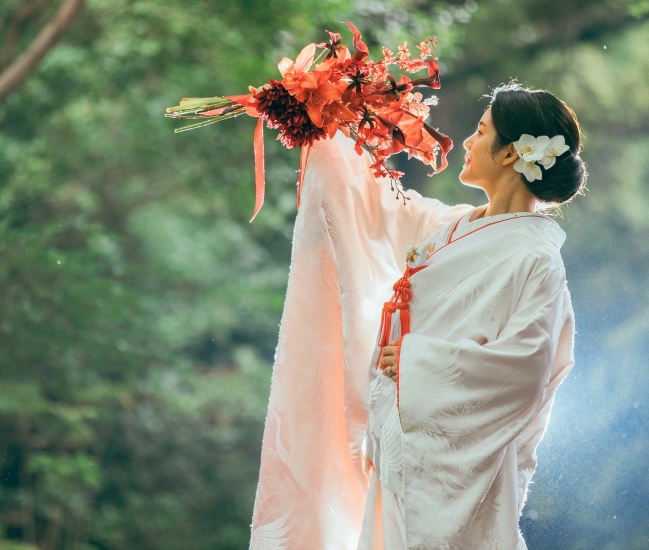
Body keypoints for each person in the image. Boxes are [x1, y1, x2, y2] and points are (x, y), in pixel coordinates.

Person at [248, 82, 585, 550]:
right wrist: (324, 125)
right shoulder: (452, 227)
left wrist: (413, 363)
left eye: (481, 131)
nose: (467, 142)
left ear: (513, 154)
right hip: (404, 445)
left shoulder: (535, 257)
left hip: (459, 466)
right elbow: (380, 208)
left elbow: (524, 368)